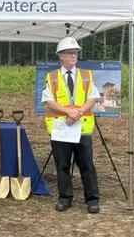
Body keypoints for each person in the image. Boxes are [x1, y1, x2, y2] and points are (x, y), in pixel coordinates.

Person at [42, 36, 100, 214]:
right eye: (69, 53)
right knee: (63, 165)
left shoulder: (86, 75)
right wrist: (69, 112)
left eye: (75, 53)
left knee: (87, 165)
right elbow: (48, 100)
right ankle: (65, 198)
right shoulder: (51, 77)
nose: (73, 56)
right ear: (60, 56)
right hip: (61, 129)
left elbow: (92, 97)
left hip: (82, 128)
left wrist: (78, 112)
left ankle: (92, 200)